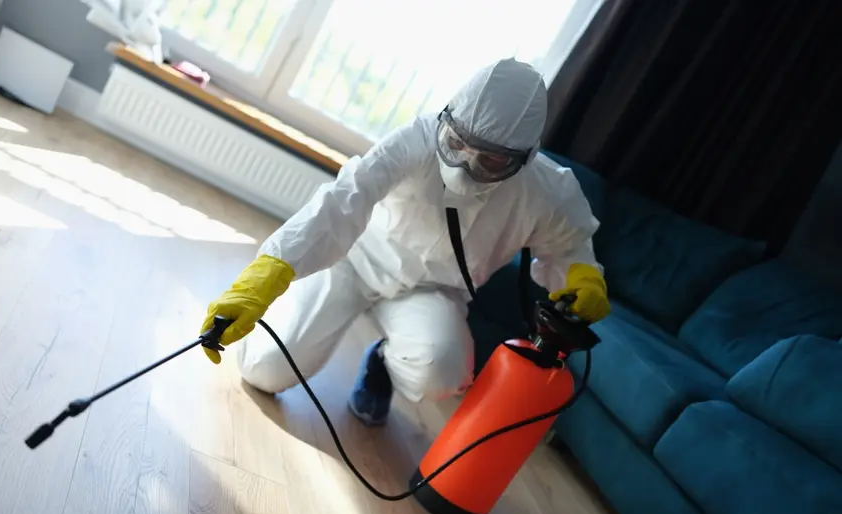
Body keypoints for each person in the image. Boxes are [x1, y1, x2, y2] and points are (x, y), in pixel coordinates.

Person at [199, 58, 611, 426]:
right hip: (354, 260)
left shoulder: (548, 190)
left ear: (525, 157)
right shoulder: (418, 137)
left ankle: (382, 361)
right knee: (262, 370)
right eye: (457, 142)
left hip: (432, 291)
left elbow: (570, 244)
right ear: (447, 120)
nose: (466, 164)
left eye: (491, 159)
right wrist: (266, 275)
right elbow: (345, 199)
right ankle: (295, 320)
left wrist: (583, 278)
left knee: (444, 373)